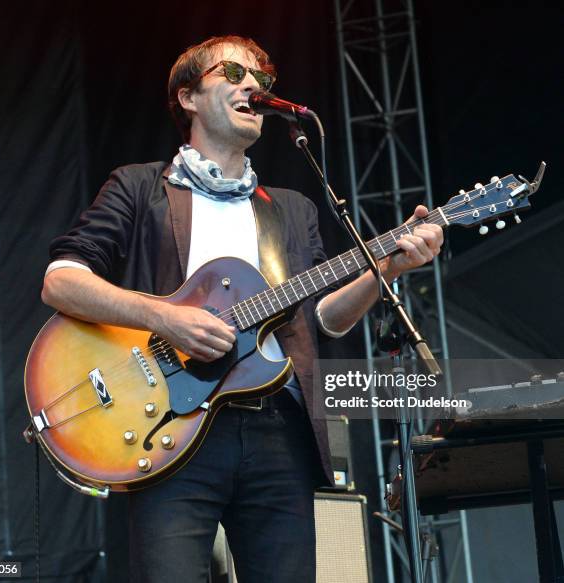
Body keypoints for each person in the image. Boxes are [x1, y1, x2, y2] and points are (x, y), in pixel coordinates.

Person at [41, 35, 443, 583]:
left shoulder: (292, 209)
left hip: (279, 434)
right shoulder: (139, 187)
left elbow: (325, 321)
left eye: (262, 80)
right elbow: (62, 281)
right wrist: (164, 317)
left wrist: (388, 268)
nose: (254, 85)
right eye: (233, 73)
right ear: (187, 97)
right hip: (172, 427)